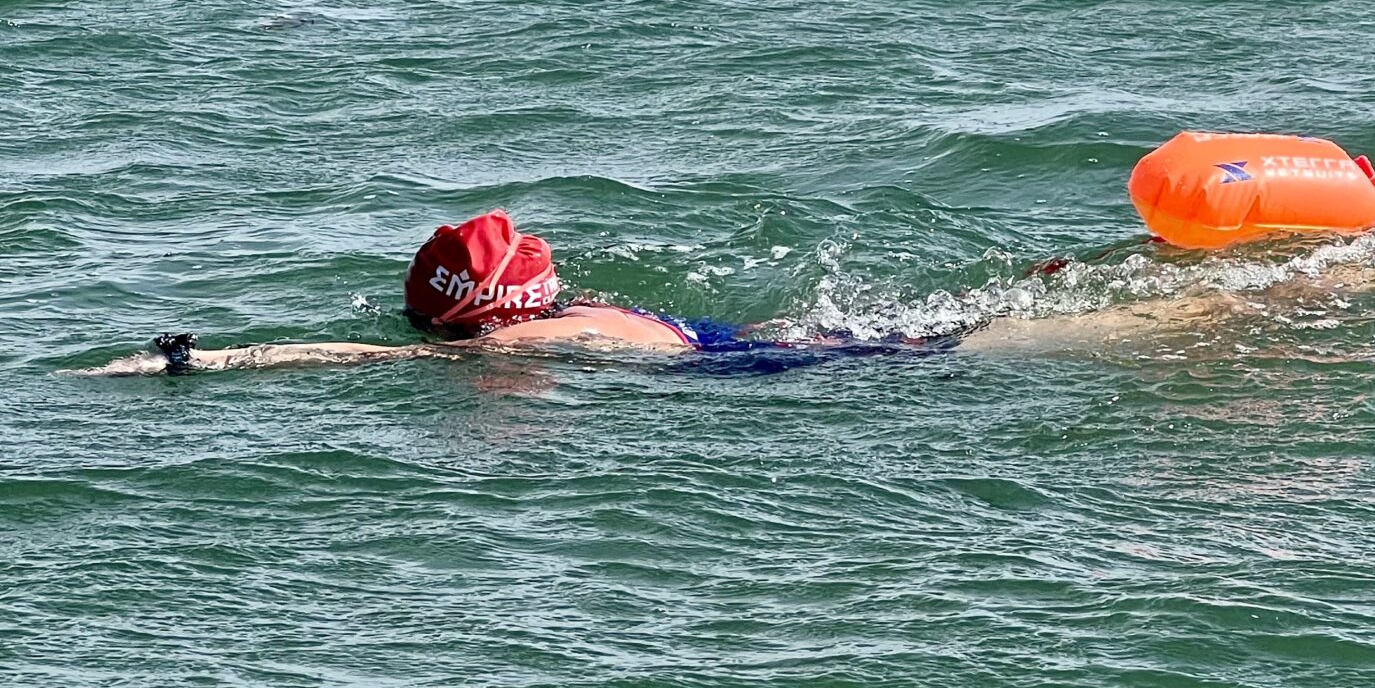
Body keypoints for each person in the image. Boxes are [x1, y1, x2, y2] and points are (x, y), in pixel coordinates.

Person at [79, 209, 972, 376]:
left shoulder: (512, 347)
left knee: (934, 348)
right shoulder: (575, 315)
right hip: (721, 340)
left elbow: (352, 356)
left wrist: (197, 360)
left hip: (762, 369)